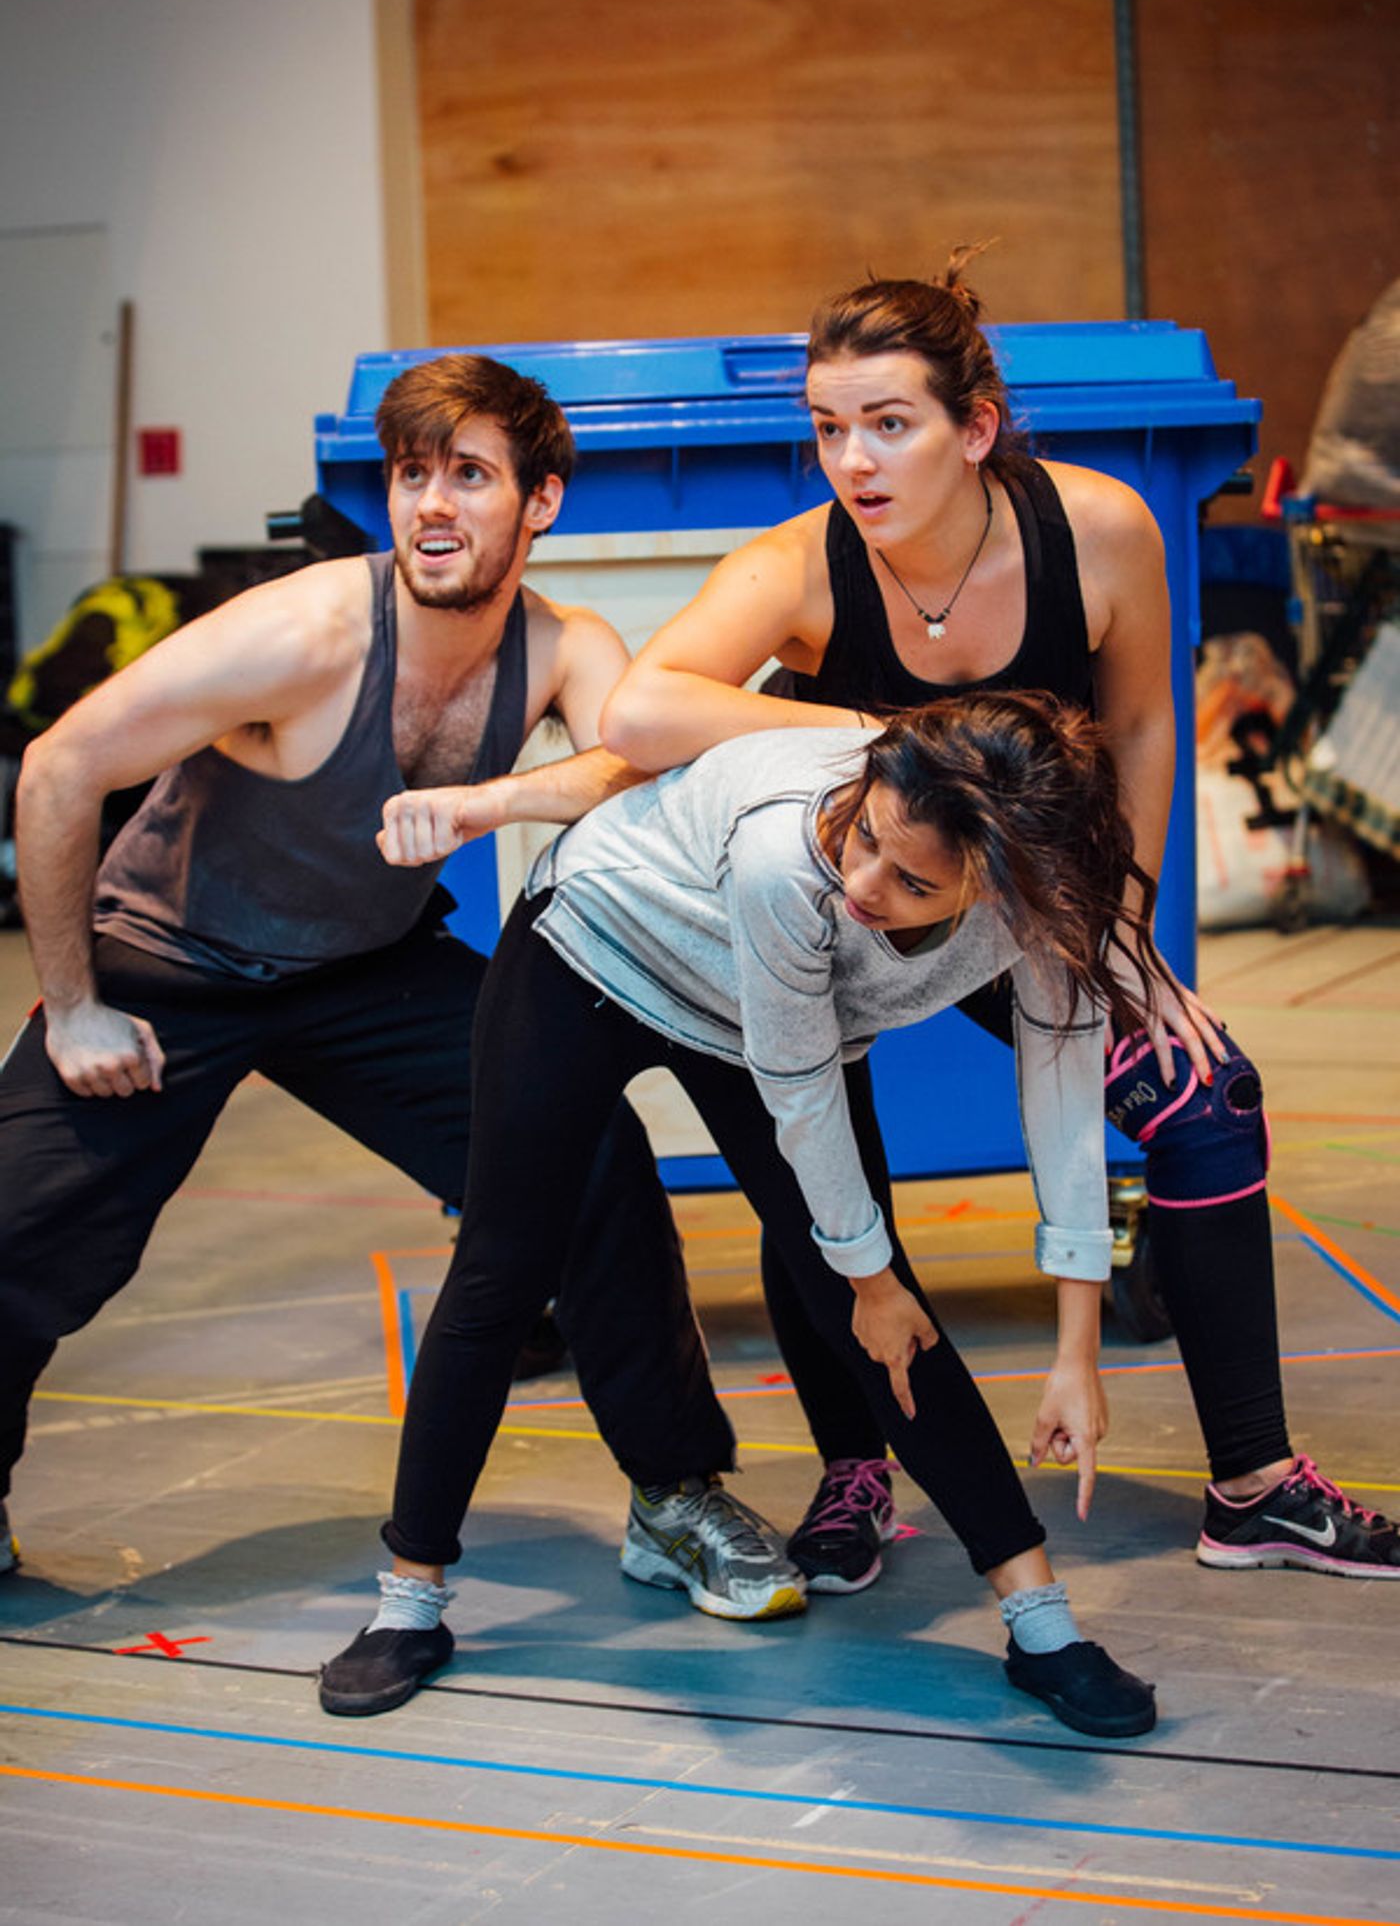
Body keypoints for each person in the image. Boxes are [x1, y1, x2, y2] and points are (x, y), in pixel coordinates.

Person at [598, 259, 1400, 1592]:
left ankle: (1255, 1484)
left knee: (1210, 1101)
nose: (854, 460)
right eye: (829, 428)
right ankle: (859, 1470)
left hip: (1021, 906)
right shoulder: (798, 565)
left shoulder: (1098, 531)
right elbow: (637, 713)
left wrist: (1118, 920)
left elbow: (1141, 721)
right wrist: (890, 737)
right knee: (819, 1183)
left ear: (974, 426)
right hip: (844, 905)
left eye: (890, 424)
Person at [0, 351, 748, 1589]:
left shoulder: (561, 647)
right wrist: (74, 1004)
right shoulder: (302, 634)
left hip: (365, 969)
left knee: (591, 1161)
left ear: (540, 501)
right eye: (412, 475)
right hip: (169, 960)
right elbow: (59, 767)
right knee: (17, 1230)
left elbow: (649, 763)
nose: (432, 505)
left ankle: (674, 1492)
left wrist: (491, 801)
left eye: (468, 474)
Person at [321, 694, 1163, 1736]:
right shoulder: (785, 854)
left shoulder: (1047, 902)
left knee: (878, 1308)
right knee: (504, 1268)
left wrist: (1074, 1345)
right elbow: (798, 1084)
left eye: (909, 882)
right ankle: (409, 1602)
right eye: (862, 837)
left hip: (766, 1006)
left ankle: (1041, 1627)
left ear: (1005, 881)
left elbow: (1062, 1098)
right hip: (598, 944)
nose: (859, 887)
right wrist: (869, 1280)